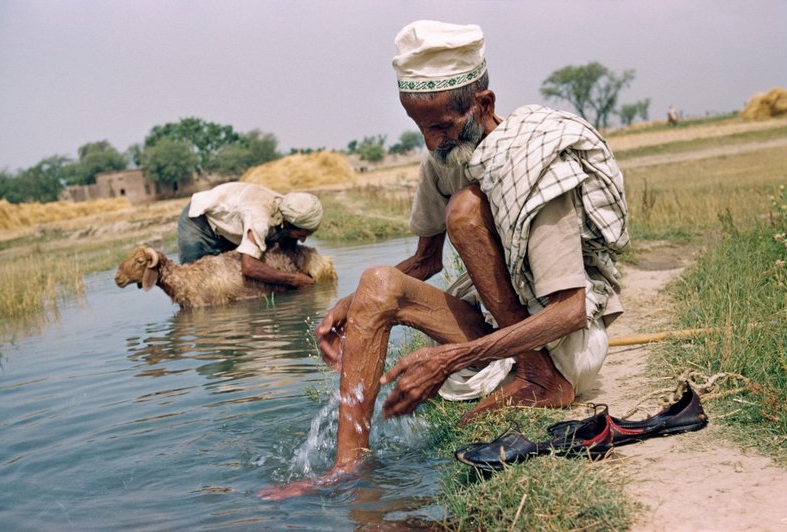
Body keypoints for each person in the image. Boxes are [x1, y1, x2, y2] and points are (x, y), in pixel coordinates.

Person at [259, 20, 629, 499]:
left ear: (484, 104)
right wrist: (349, 306)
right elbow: (425, 262)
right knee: (377, 280)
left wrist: (453, 357)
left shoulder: (537, 167)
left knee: (467, 211)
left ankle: (538, 379)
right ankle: (347, 469)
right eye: (420, 128)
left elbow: (571, 309)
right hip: (500, 333)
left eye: (441, 127)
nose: (432, 143)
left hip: (563, 343)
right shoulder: (446, 161)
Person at [177, 181, 323, 288]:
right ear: (287, 223)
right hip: (200, 221)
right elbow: (249, 267)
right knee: (195, 282)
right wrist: (293, 279)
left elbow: (285, 243)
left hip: (231, 225)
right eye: (300, 234)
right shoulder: (259, 218)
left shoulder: (291, 209)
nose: (303, 241)